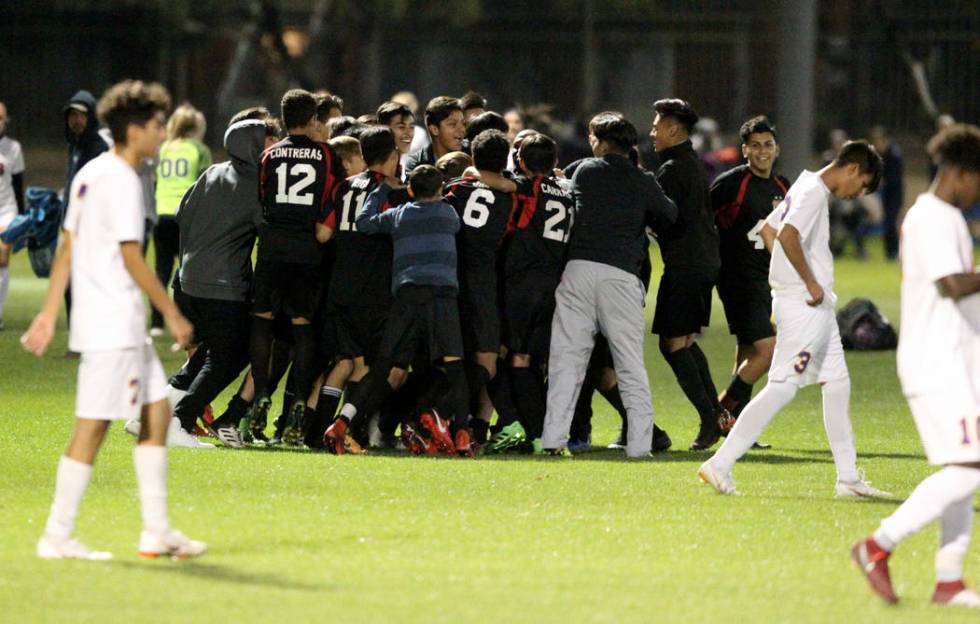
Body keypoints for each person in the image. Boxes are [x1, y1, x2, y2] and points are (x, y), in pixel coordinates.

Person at [23, 80, 205, 561]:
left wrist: (48, 313)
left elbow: (67, 243)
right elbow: (131, 256)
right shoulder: (123, 179)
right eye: (157, 125)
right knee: (93, 426)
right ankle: (57, 534)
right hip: (113, 323)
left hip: (110, 320)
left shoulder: (91, 171)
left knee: (156, 411)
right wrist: (171, 312)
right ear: (135, 129)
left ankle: (156, 530)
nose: (162, 133)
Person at [698, 140, 888, 497]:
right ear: (852, 169)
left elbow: (770, 230)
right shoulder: (814, 192)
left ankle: (847, 478)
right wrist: (807, 282)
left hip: (808, 303)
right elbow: (787, 235)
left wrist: (784, 278)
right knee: (783, 386)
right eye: (861, 185)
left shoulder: (803, 182)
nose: (856, 194)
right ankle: (719, 464)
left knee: (837, 384)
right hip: (805, 305)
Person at [851, 124, 980, 608]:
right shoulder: (933, 217)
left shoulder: (945, 216)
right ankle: (877, 546)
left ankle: (949, 580)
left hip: (956, 362)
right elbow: (953, 284)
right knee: (970, 469)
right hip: (937, 362)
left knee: (965, 467)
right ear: (962, 174)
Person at [540, 112, 676, 457]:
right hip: (621, 276)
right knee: (630, 363)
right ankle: (640, 446)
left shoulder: (585, 169)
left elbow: (561, 189)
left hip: (579, 270)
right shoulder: (643, 180)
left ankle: (554, 440)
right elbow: (670, 215)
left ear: (599, 141)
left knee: (567, 359)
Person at [323, 165, 472, 456]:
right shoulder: (448, 215)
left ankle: (342, 422)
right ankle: (463, 435)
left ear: (411, 191)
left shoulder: (400, 215)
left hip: (406, 297)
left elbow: (365, 222)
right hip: (441, 297)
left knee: (382, 368)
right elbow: (454, 222)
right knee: (455, 368)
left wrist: (383, 191)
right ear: (440, 190)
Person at [161, 118, 273, 448]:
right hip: (222, 285)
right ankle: (179, 421)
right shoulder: (256, 185)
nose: (269, 148)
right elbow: (265, 229)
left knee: (210, 352)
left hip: (188, 279)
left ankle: (156, 413)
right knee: (231, 355)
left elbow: (183, 214)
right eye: (265, 141)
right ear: (252, 145)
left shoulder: (212, 173)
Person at [250, 89, 345, 445]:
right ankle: (299, 407)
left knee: (262, 322)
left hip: (273, 246)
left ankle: (261, 394)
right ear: (314, 120)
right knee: (303, 328)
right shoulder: (326, 154)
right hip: (307, 250)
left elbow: (262, 196)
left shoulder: (270, 154)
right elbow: (334, 196)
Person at [649, 98, 728, 450]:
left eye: (656, 126)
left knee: (672, 343)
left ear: (672, 130)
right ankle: (719, 415)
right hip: (702, 260)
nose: (652, 132)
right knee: (684, 341)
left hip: (686, 263)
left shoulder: (672, 169)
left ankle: (710, 420)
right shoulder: (691, 163)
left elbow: (669, 217)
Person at [711, 116, 790, 432]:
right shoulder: (731, 184)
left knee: (747, 354)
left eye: (767, 145)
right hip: (738, 279)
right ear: (744, 150)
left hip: (766, 281)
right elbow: (702, 217)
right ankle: (715, 413)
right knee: (768, 351)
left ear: (777, 148)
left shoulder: (783, 186)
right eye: (755, 146)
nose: (762, 152)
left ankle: (735, 428)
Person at [151, 104, 212, 335]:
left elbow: (157, 181)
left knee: (161, 269)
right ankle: (186, 321)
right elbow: (203, 184)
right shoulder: (199, 149)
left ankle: (156, 324)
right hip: (185, 215)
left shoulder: (163, 148)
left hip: (161, 212)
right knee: (188, 271)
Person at [62, 90, 110, 336]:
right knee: (70, 285)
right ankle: (77, 338)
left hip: (90, 230)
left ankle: (88, 338)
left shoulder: (98, 147)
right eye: (72, 115)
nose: (76, 120)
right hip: (74, 228)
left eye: (81, 115)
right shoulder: (75, 145)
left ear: (91, 117)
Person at [0, 101, 25, 330]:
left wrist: (23, 217)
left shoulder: (13, 148)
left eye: (1, 118)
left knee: (2, 258)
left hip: (6, 209)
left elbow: (18, 184)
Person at [403, 96, 465, 175]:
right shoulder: (417, 164)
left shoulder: (473, 156)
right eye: (452, 124)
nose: (462, 129)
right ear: (434, 129)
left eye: (463, 123)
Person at [870, 125, 904, 260]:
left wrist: (881, 181)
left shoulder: (894, 154)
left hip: (894, 193)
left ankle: (894, 251)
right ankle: (889, 252)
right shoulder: (880, 153)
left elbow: (894, 177)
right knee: (887, 222)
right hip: (885, 193)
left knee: (891, 222)